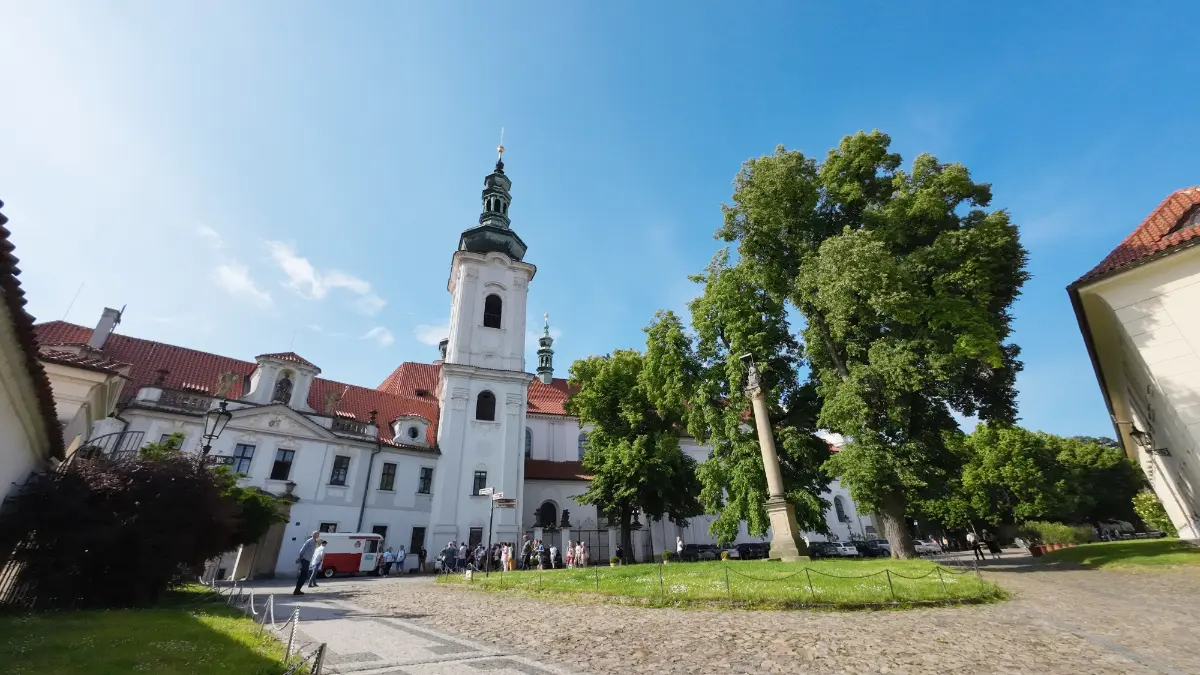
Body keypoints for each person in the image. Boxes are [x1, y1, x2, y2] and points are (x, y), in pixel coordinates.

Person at [294, 531, 320, 595]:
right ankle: (297, 590)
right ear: (312, 535)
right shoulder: (310, 541)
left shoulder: (314, 542)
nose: (316, 535)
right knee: (304, 574)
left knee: (304, 574)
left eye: (317, 535)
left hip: (308, 559)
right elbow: (303, 549)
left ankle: (297, 589)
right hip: (305, 559)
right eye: (315, 534)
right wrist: (300, 557)